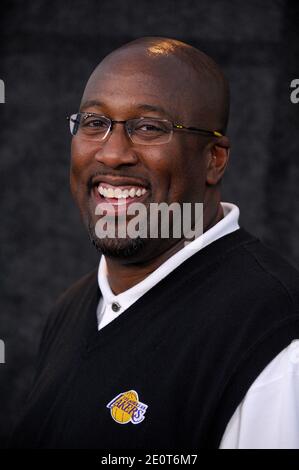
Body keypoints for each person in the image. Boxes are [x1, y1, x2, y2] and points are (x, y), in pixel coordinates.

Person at [11, 37, 299, 449]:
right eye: (94, 122)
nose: (112, 154)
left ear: (214, 158)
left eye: (148, 127)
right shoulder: (71, 309)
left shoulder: (274, 340)